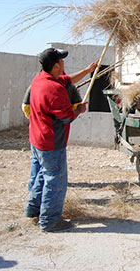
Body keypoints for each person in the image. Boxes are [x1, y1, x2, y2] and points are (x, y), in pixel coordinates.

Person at [24, 48, 97, 232]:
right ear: (56, 65)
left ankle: (33, 209)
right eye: (61, 61)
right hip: (51, 143)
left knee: (42, 175)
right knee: (55, 181)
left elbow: (67, 80)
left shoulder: (40, 79)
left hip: (37, 139)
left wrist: (88, 71)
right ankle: (50, 221)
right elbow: (66, 117)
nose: (64, 63)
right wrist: (79, 110)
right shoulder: (54, 90)